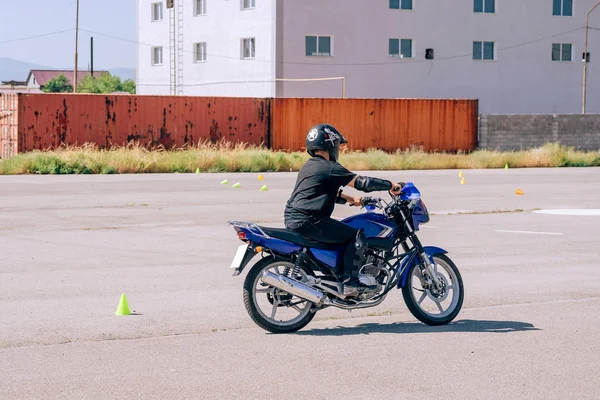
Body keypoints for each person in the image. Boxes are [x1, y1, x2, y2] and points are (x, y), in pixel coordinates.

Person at [284, 123, 404, 296]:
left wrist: (352, 199)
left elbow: (321, 192)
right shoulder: (330, 167)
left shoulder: (310, 166)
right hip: (309, 220)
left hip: (295, 218)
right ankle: (350, 283)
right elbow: (362, 182)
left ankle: (336, 275)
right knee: (356, 236)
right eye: (338, 145)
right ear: (330, 144)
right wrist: (390, 185)